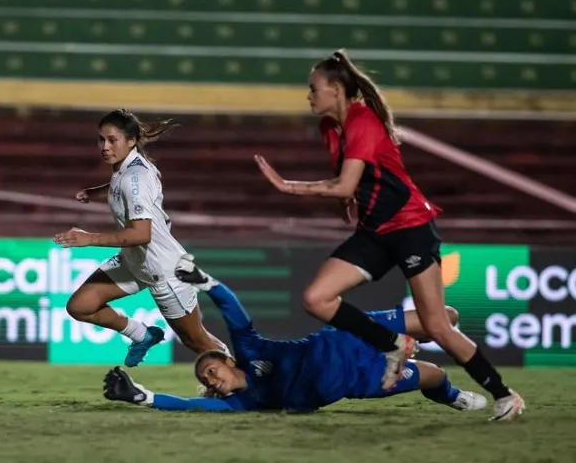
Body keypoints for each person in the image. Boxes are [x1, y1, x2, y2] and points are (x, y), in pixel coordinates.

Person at [250, 49, 524, 421]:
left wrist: (288, 186)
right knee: (316, 298)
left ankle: (504, 394)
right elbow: (350, 186)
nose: (309, 95)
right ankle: (393, 344)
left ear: (337, 90)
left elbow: (345, 181)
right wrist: (345, 201)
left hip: (410, 227)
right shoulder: (331, 129)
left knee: (438, 326)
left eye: (314, 88)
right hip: (375, 232)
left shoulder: (363, 122)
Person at [103, 254, 487, 415]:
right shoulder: (247, 402)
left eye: (209, 372)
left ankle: (404, 346)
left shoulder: (252, 351)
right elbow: (193, 406)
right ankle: (453, 398)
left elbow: (235, 314)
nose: (210, 381)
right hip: (359, 379)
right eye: (206, 382)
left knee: (445, 316)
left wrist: (208, 284)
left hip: (348, 338)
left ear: (226, 360)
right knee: (435, 377)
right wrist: (143, 396)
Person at [53, 109, 228, 367]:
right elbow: (123, 186)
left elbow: (141, 234)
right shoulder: (129, 168)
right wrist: (97, 191)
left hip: (164, 270)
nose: (105, 146)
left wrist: (89, 238)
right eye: (101, 139)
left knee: (196, 342)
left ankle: (246, 381)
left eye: (113, 140)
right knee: (81, 305)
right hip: (135, 263)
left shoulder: (136, 177)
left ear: (132, 140)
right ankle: (143, 335)